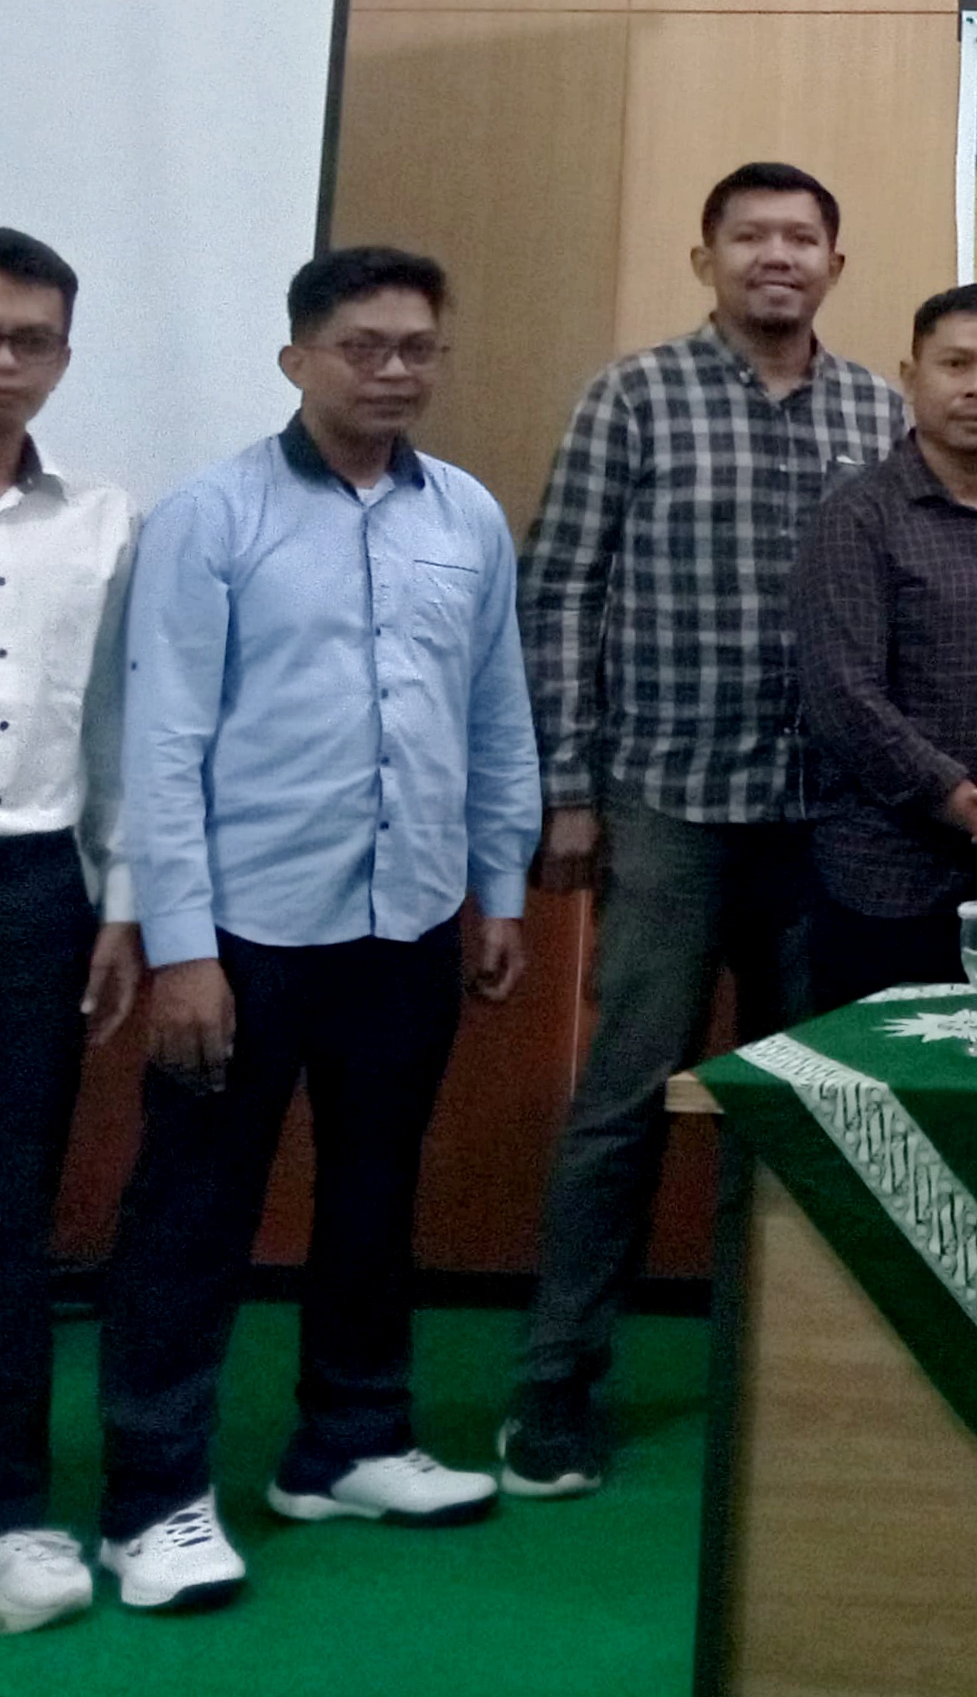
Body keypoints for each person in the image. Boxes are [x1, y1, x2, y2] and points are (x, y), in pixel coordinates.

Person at [100, 249, 537, 1611]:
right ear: (297, 358)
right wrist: (181, 946)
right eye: (363, 346)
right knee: (193, 1212)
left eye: (417, 347)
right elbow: (161, 738)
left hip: (409, 915)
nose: (393, 370)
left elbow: (495, 710)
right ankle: (153, 1500)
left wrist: (500, 884)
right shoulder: (211, 517)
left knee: (373, 1191)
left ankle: (348, 1442)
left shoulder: (467, 516)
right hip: (243, 931)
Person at [506, 161, 905, 1499]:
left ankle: (787, 1368)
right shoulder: (631, 397)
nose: (775, 256)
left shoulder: (877, 411)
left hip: (826, 820)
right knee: (624, 1098)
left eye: (801, 237)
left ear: (835, 265)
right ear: (706, 259)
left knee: (805, 1108)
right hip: (668, 803)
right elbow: (560, 591)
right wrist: (568, 787)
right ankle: (556, 1381)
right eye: (749, 236)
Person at [794, 287, 977, 1008]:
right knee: (879, 1075)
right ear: (911, 376)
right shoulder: (857, 518)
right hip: (888, 879)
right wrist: (967, 807)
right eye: (956, 364)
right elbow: (844, 698)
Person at [0, 232, 140, 1637]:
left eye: (30, 338)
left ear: (61, 358)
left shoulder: (102, 524)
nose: (4, 361)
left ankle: (11, 1508)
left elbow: (115, 733)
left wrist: (121, 901)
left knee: (11, 1208)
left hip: (35, 885)